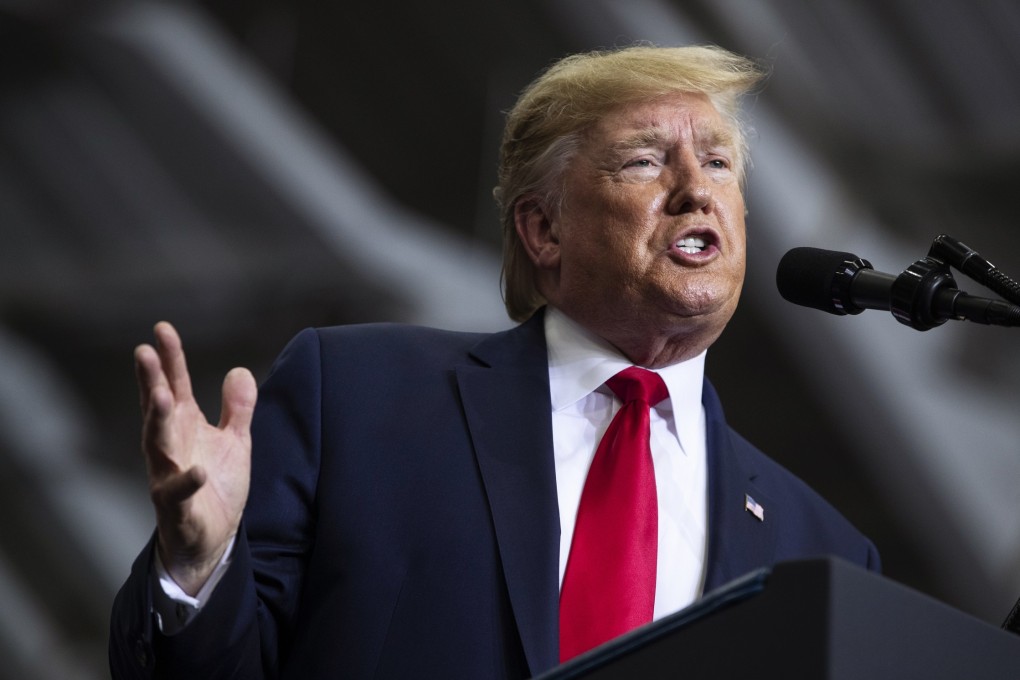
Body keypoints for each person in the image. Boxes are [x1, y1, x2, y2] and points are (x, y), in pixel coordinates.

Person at [109, 44, 879, 679]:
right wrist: (198, 569)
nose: (695, 192)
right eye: (646, 162)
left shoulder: (825, 551)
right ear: (543, 230)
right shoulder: (354, 397)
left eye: (717, 164)